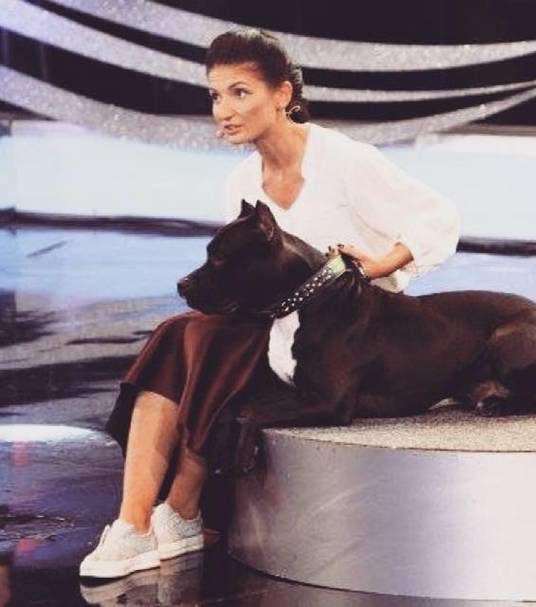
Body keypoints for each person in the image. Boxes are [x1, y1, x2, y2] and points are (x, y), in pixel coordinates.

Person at [79, 27, 460, 579]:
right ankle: (134, 523)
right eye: (215, 95)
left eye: (240, 93)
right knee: (176, 334)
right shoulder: (241, 180)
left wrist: (383, 262)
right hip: (274, 327)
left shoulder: (344, 159)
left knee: (201, 337)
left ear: (282, 95)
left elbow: (438, 216)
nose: (224, 111)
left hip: (347, 333)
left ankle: (181, 510)